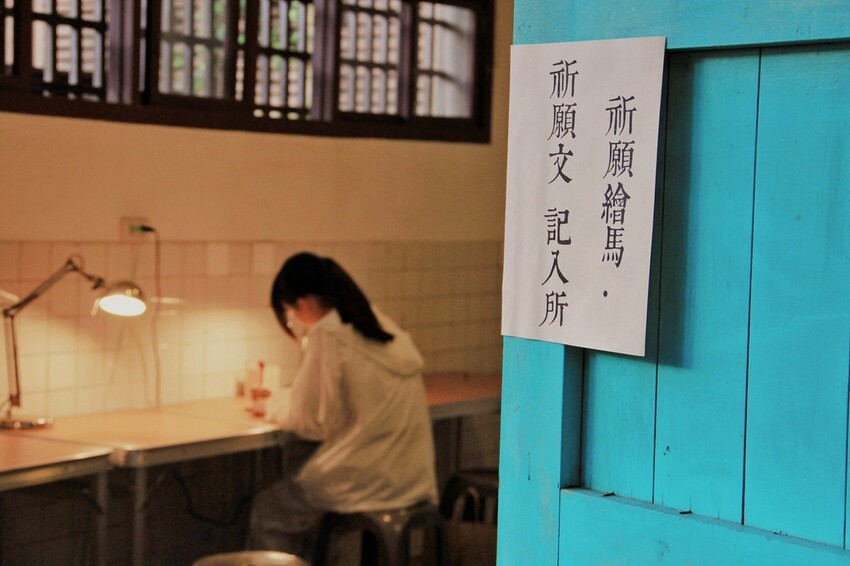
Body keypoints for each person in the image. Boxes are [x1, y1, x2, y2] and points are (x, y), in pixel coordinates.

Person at [246, 252, 438, 561]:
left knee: (269, 511)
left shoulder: (329, 335)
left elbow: (311, 420)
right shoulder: (379, 326)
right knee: (306, 513)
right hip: (411, 479)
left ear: (303, 303)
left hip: (366, 479)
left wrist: (269, 405)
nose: (293, 320)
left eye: (290, 311)